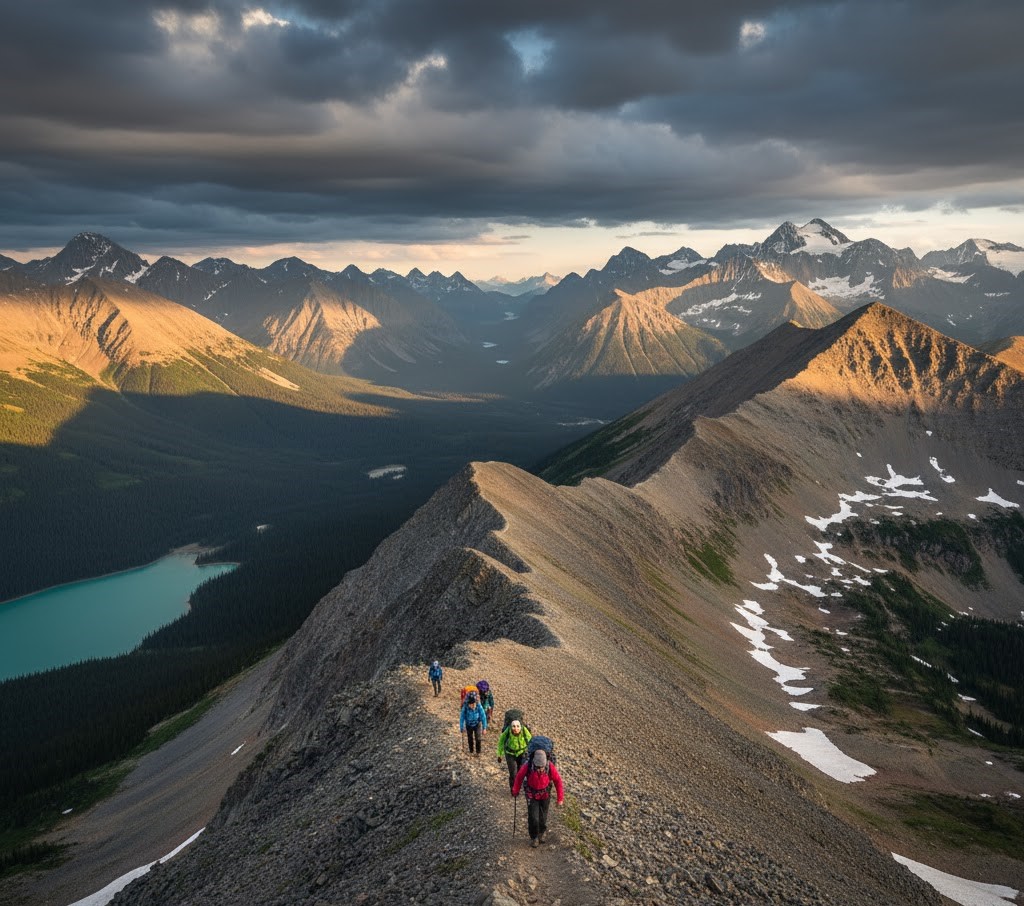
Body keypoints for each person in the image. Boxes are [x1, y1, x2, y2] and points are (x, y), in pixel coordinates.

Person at [511, 748, 563, 847]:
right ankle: (534, 837)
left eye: (542, 767)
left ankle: (541, 833)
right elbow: (519, 778)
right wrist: (515, 791)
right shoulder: (528, 766)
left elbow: (558, 781)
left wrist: (560, 799)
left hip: (545, 794)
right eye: (538, 767)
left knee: (543, 817)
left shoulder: (550, 767)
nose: (540, 769)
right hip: (531, 794)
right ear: (534, 762)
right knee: (533, 817)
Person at [496, 718, 532, 791]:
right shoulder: (507, 732)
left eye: (518, 726)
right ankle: (513, 788)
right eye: (514, 726)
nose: (516, 729)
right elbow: (501, 742)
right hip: (510, 754)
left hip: (522, 753)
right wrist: (499, 754)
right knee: (513, 773)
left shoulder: (524, 730)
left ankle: (518, 785)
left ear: (520, 726)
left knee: (521, 771)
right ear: (511, 727)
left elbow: (531, 741)